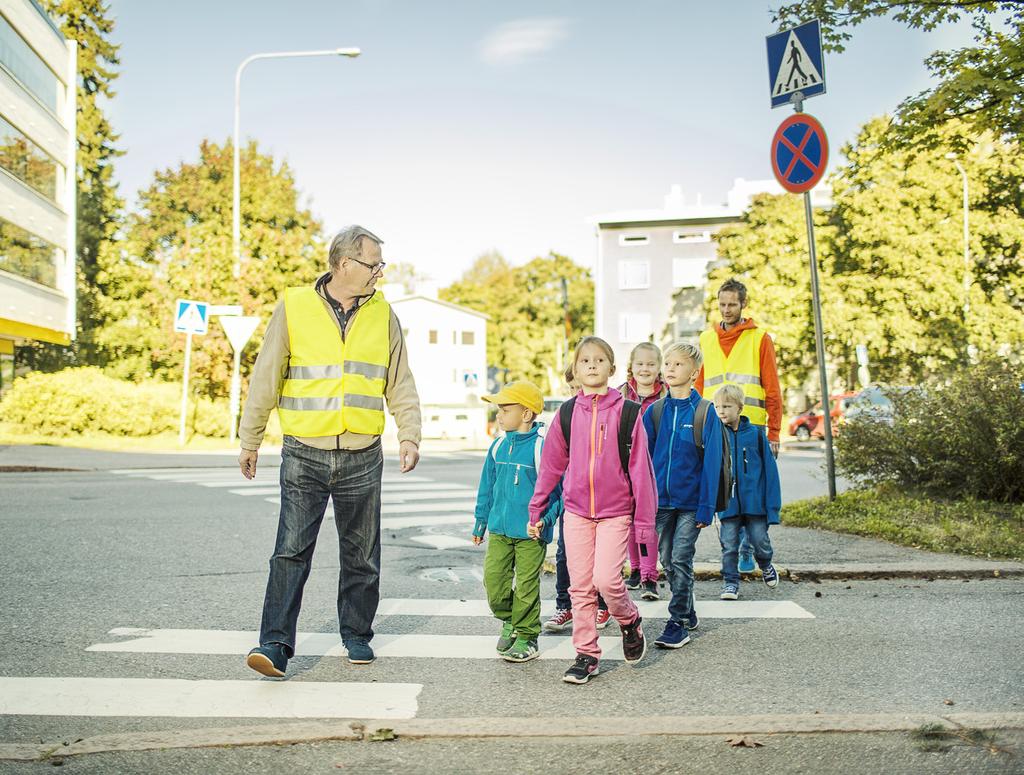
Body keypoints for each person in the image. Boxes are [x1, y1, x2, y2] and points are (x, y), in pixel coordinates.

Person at [239, 226, 422, 677]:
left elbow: (399, 378)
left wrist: (410, 433)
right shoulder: (295, 306)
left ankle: (356, 634)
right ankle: (275, 644)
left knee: (362, 554)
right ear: (344, 264)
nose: (379, 271)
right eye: (373, 263)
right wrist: (251, 437)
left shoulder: (383, 314)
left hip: (362, 453)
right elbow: (267, 374)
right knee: (290, 551)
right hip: (304, 451)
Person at [528, 336, 656, 684]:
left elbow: (641, 473)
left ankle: (629, 620)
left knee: (606, 580)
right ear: (576, 369)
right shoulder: (567, 414)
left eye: (599, 361)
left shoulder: (628, 413)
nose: (592, 366)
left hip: (616, 513)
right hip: (577, 513)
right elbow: (552, 467)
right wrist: (536, 508)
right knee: (581, 587)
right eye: (585, 361)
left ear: (611, 369)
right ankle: (586, 655)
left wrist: (644, 524)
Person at [696, 278, 782, 573]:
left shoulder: (760, 339)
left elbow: (772, 387)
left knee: (750, 489)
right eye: (722, 304)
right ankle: (733, 547)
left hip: (752, 427)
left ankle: (747, 547)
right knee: (723, 487)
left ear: (743, 304)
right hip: (715, 425)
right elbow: (698, 384)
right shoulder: (706, 340)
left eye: (732, 304)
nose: (727, 309)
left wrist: (775, 432)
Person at [473, 381, 560, 663]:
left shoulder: (541, 448)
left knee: (526, 586)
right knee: (494, 583)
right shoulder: (497, 446)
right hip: (499, 530)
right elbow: (486, 487)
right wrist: (480, 522)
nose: (499, 414)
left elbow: (557, 494)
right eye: (498, 408)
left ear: (526, 414)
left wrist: (544, 522)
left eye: (505, 409)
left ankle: (527, 635)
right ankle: (509, 618)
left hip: (531, 534)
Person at [644, 342, 723, 650]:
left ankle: (677, 621)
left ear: (695, 372)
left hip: (691, 504)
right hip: (661, 502)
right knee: (667, 560)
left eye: (678, 364)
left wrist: (707, 506)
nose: (670, 368)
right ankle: (688, 608)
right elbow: (643, 460)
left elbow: (713, 462)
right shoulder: (655, 412)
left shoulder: (705, 412)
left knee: (681, 557)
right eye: (668, 363)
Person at [543, 365, 610, 634]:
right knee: (564, 554)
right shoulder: (566, 415)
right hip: (570, 496)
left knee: (599, 559)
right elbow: (553, 461)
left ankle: (603, 604)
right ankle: (565, 605)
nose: (575, 393)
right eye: (570, 389)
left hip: (601, 498)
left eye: (577, 388)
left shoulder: (604, 413)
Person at [713, 385, 781, 600]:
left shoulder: (756, 435)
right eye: (717, 406)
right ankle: (730, 583)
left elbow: (770, 472)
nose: (721, 411)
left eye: (727, 406)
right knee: (729, 546)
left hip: (755, 503)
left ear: (740, 408)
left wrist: (772, 508)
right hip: (728, 504)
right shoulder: (714, 435)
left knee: (760, 540)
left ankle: (766, 564)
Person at [618, 342, 668, 599]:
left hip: (654, 467)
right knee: (629, 522)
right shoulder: (621, 395)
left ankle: (650, 576)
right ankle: (635, 569)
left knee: (647, 522)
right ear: (631, 366)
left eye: (650, 364)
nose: (645, 369)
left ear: (659, 367)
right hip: (625, 468)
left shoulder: (666, 396)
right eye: (640, 364)